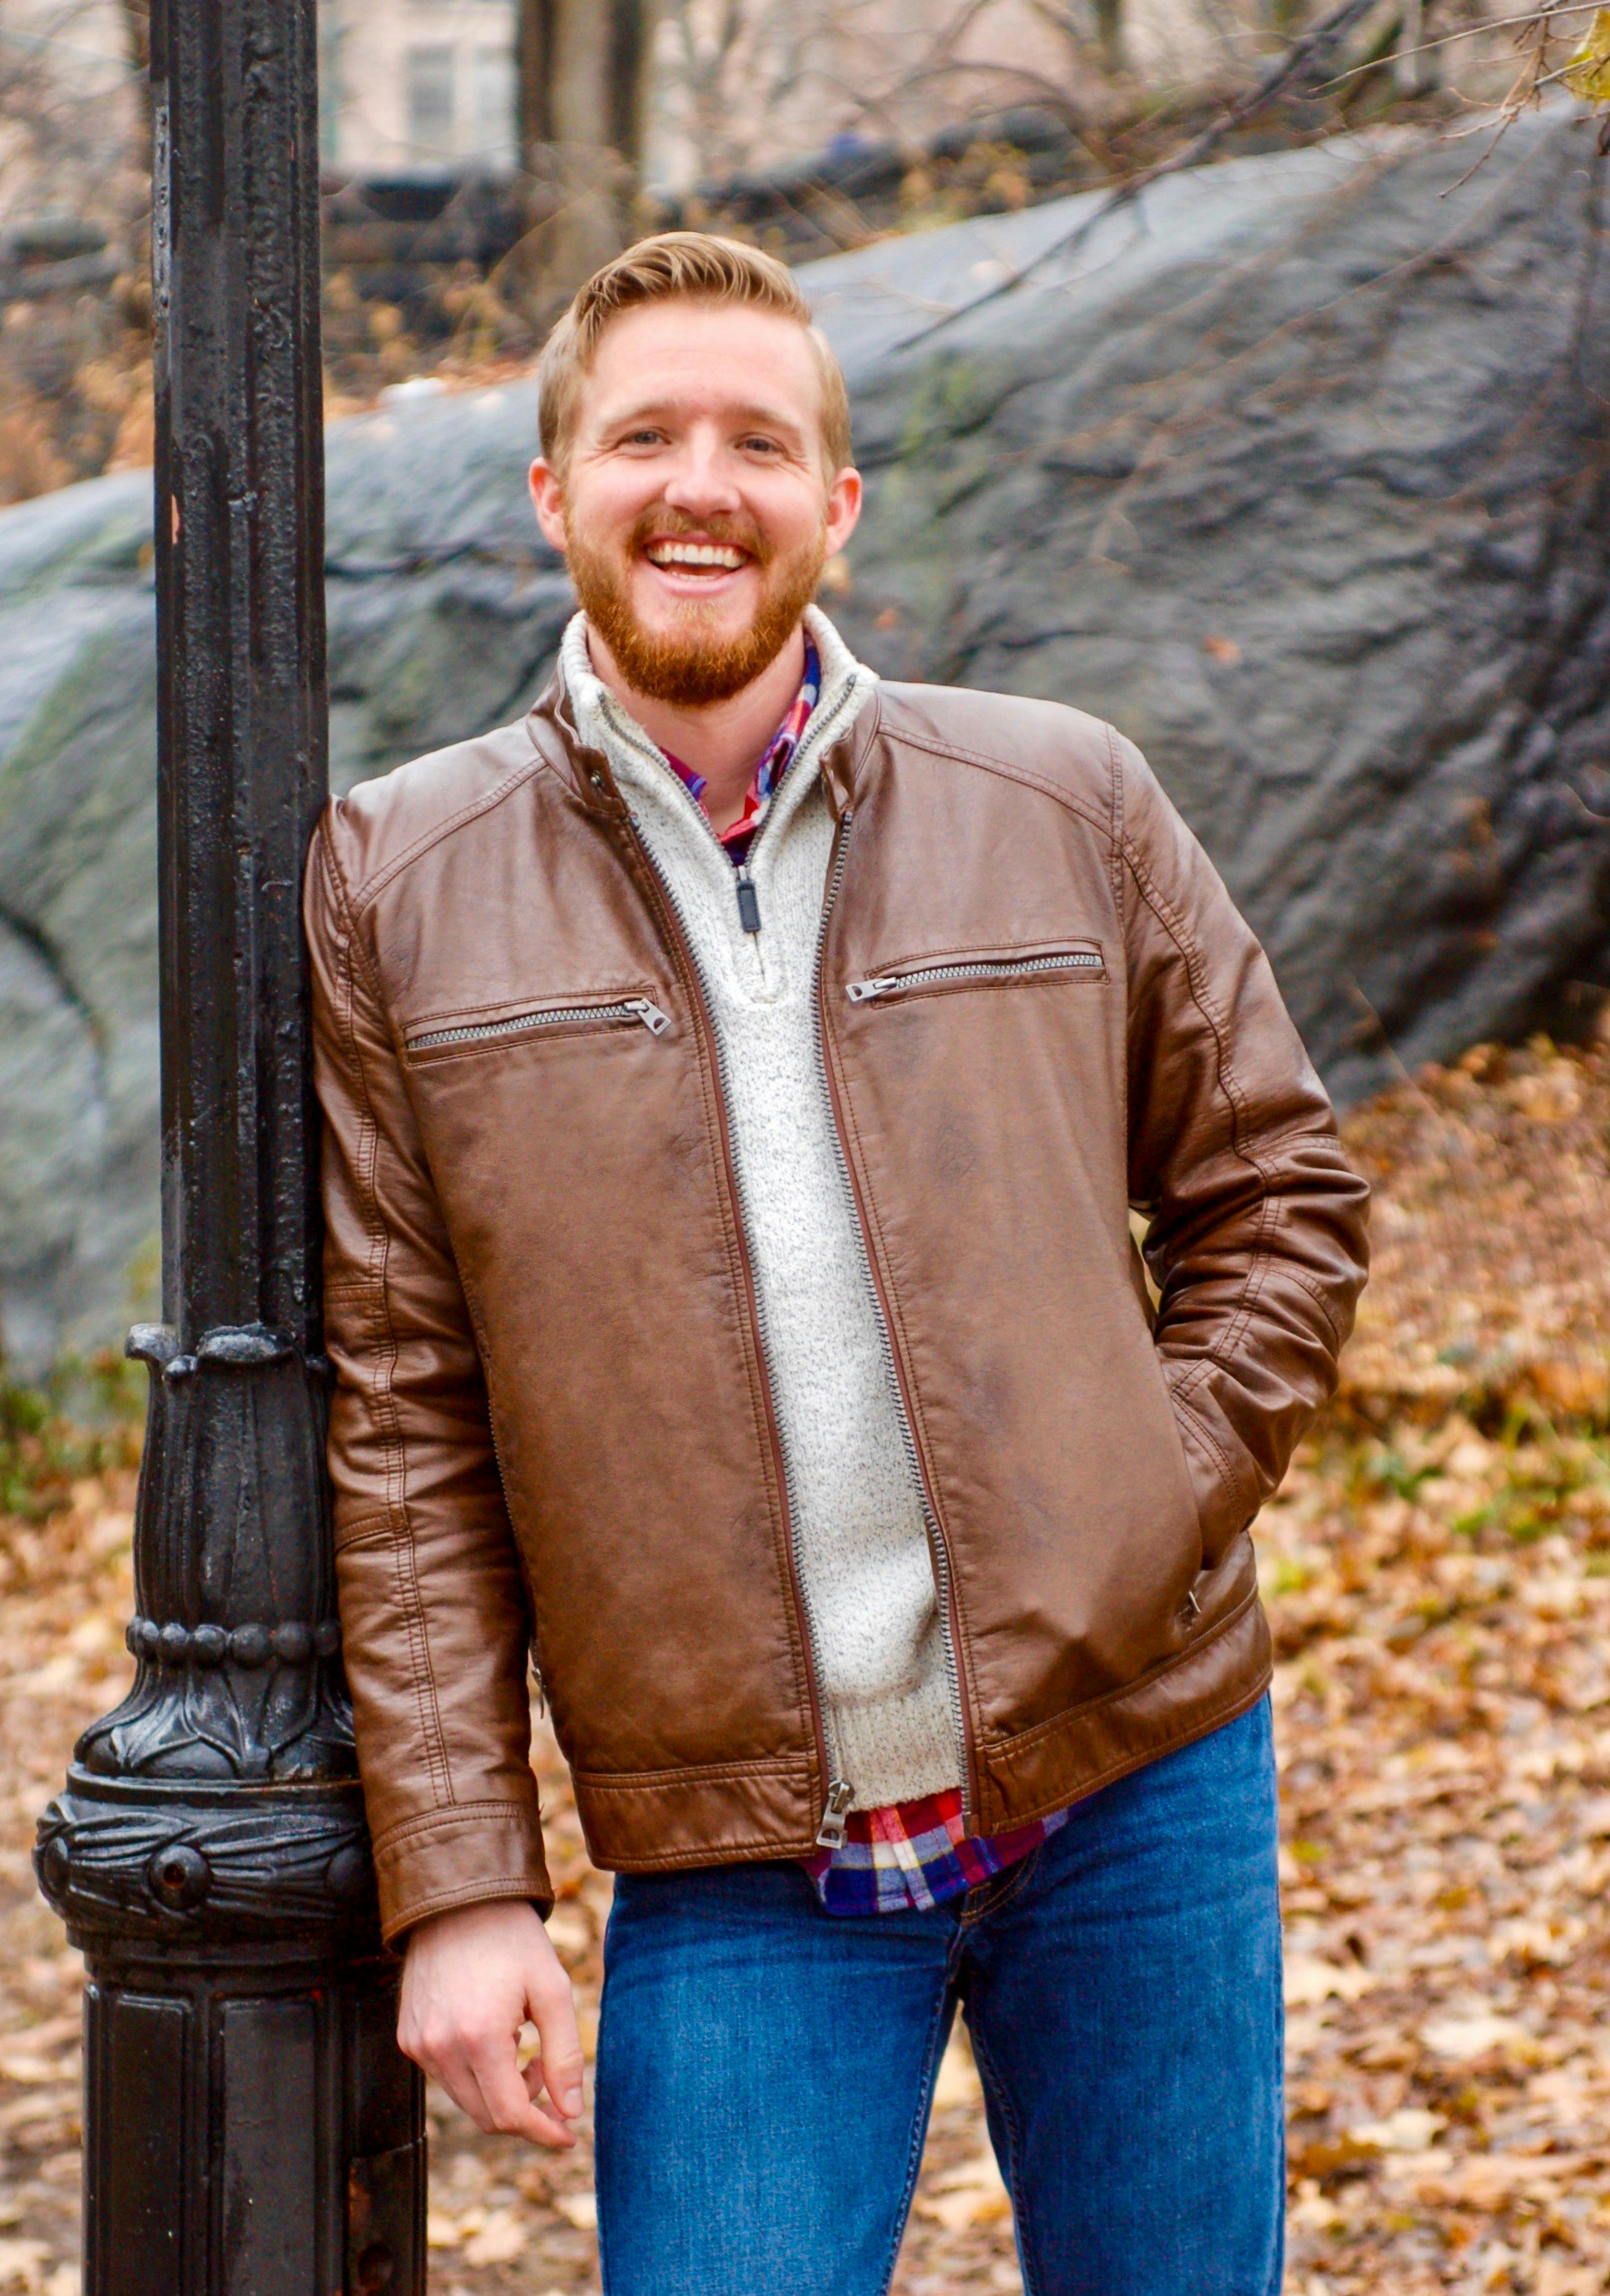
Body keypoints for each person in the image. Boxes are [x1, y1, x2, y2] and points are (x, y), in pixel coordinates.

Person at [304, 231, 1369, 2296]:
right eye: (643, 437)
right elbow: (402, 1403)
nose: (701, 483)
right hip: (734, 1853)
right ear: (550, 494)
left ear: (835, 504)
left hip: (1135, 1780)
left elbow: (1276, 1194)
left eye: (757, 441)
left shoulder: (1056, 796)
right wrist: (458, 1880)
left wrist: (1135, 1508)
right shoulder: (402, 879)